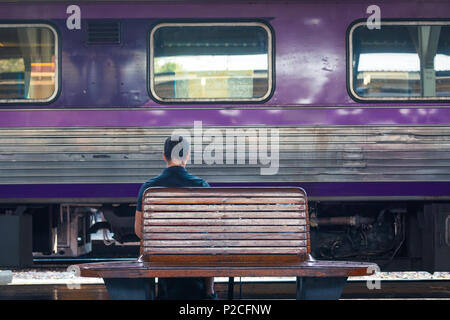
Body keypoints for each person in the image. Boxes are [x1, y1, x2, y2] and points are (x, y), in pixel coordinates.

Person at [134, 135, 217, 300]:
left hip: (162, 256)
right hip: (194, 256)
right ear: (187, 156)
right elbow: (210, 231)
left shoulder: (149, 187)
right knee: (207, 244)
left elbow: (139, 231)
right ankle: (209, 292)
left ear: (164, 156)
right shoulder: (201, 186)